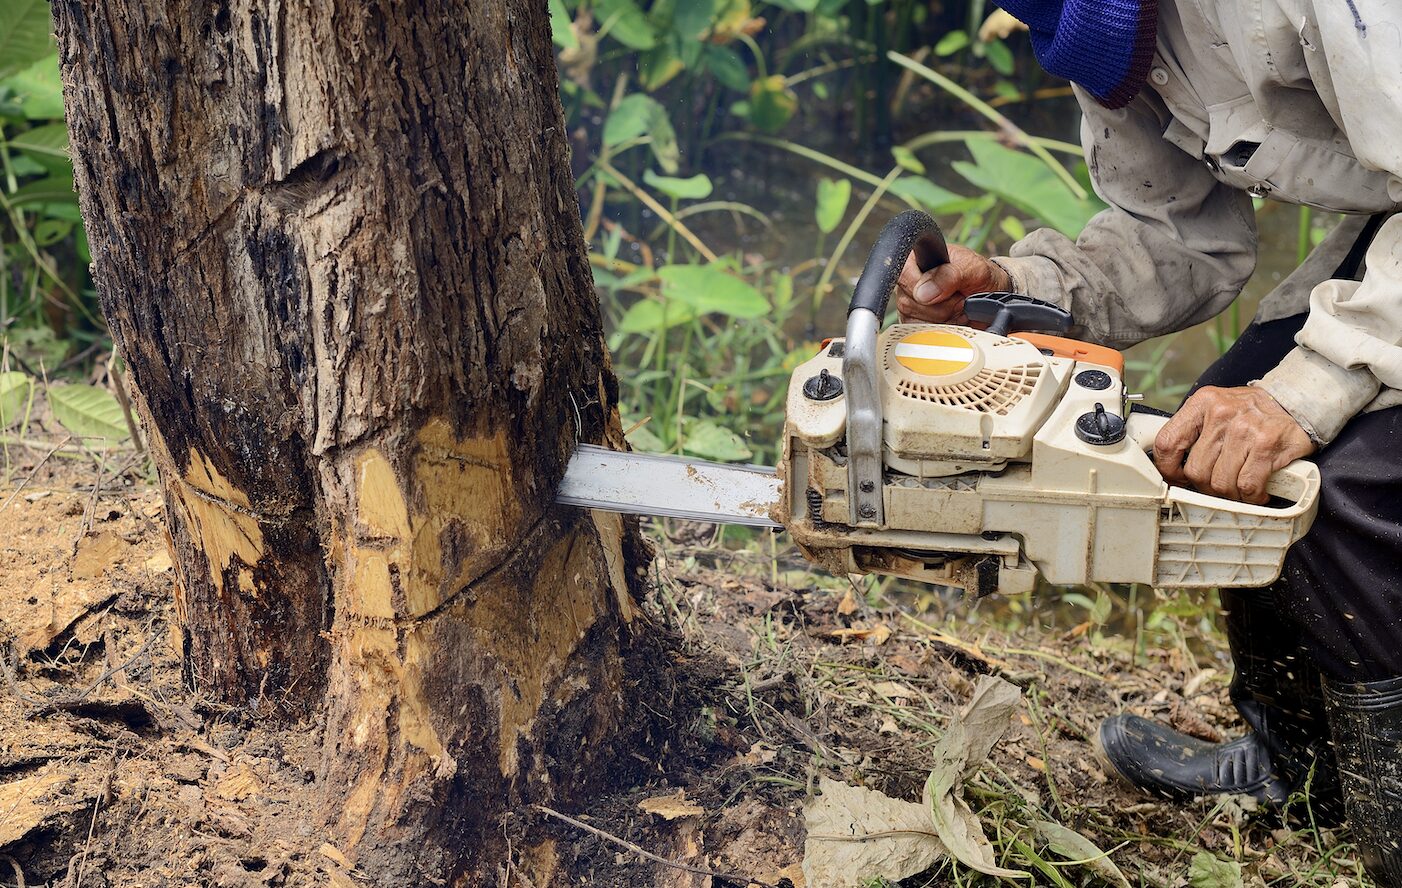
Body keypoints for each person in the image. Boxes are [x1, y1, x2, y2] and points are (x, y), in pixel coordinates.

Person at [896, 1, 1402, 882]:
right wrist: (1022, 287)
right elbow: (1179, 235)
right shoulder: (1100, 35)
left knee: (1339, 487)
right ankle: (1302, 774)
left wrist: (1309, 394)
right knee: (1217, 433)